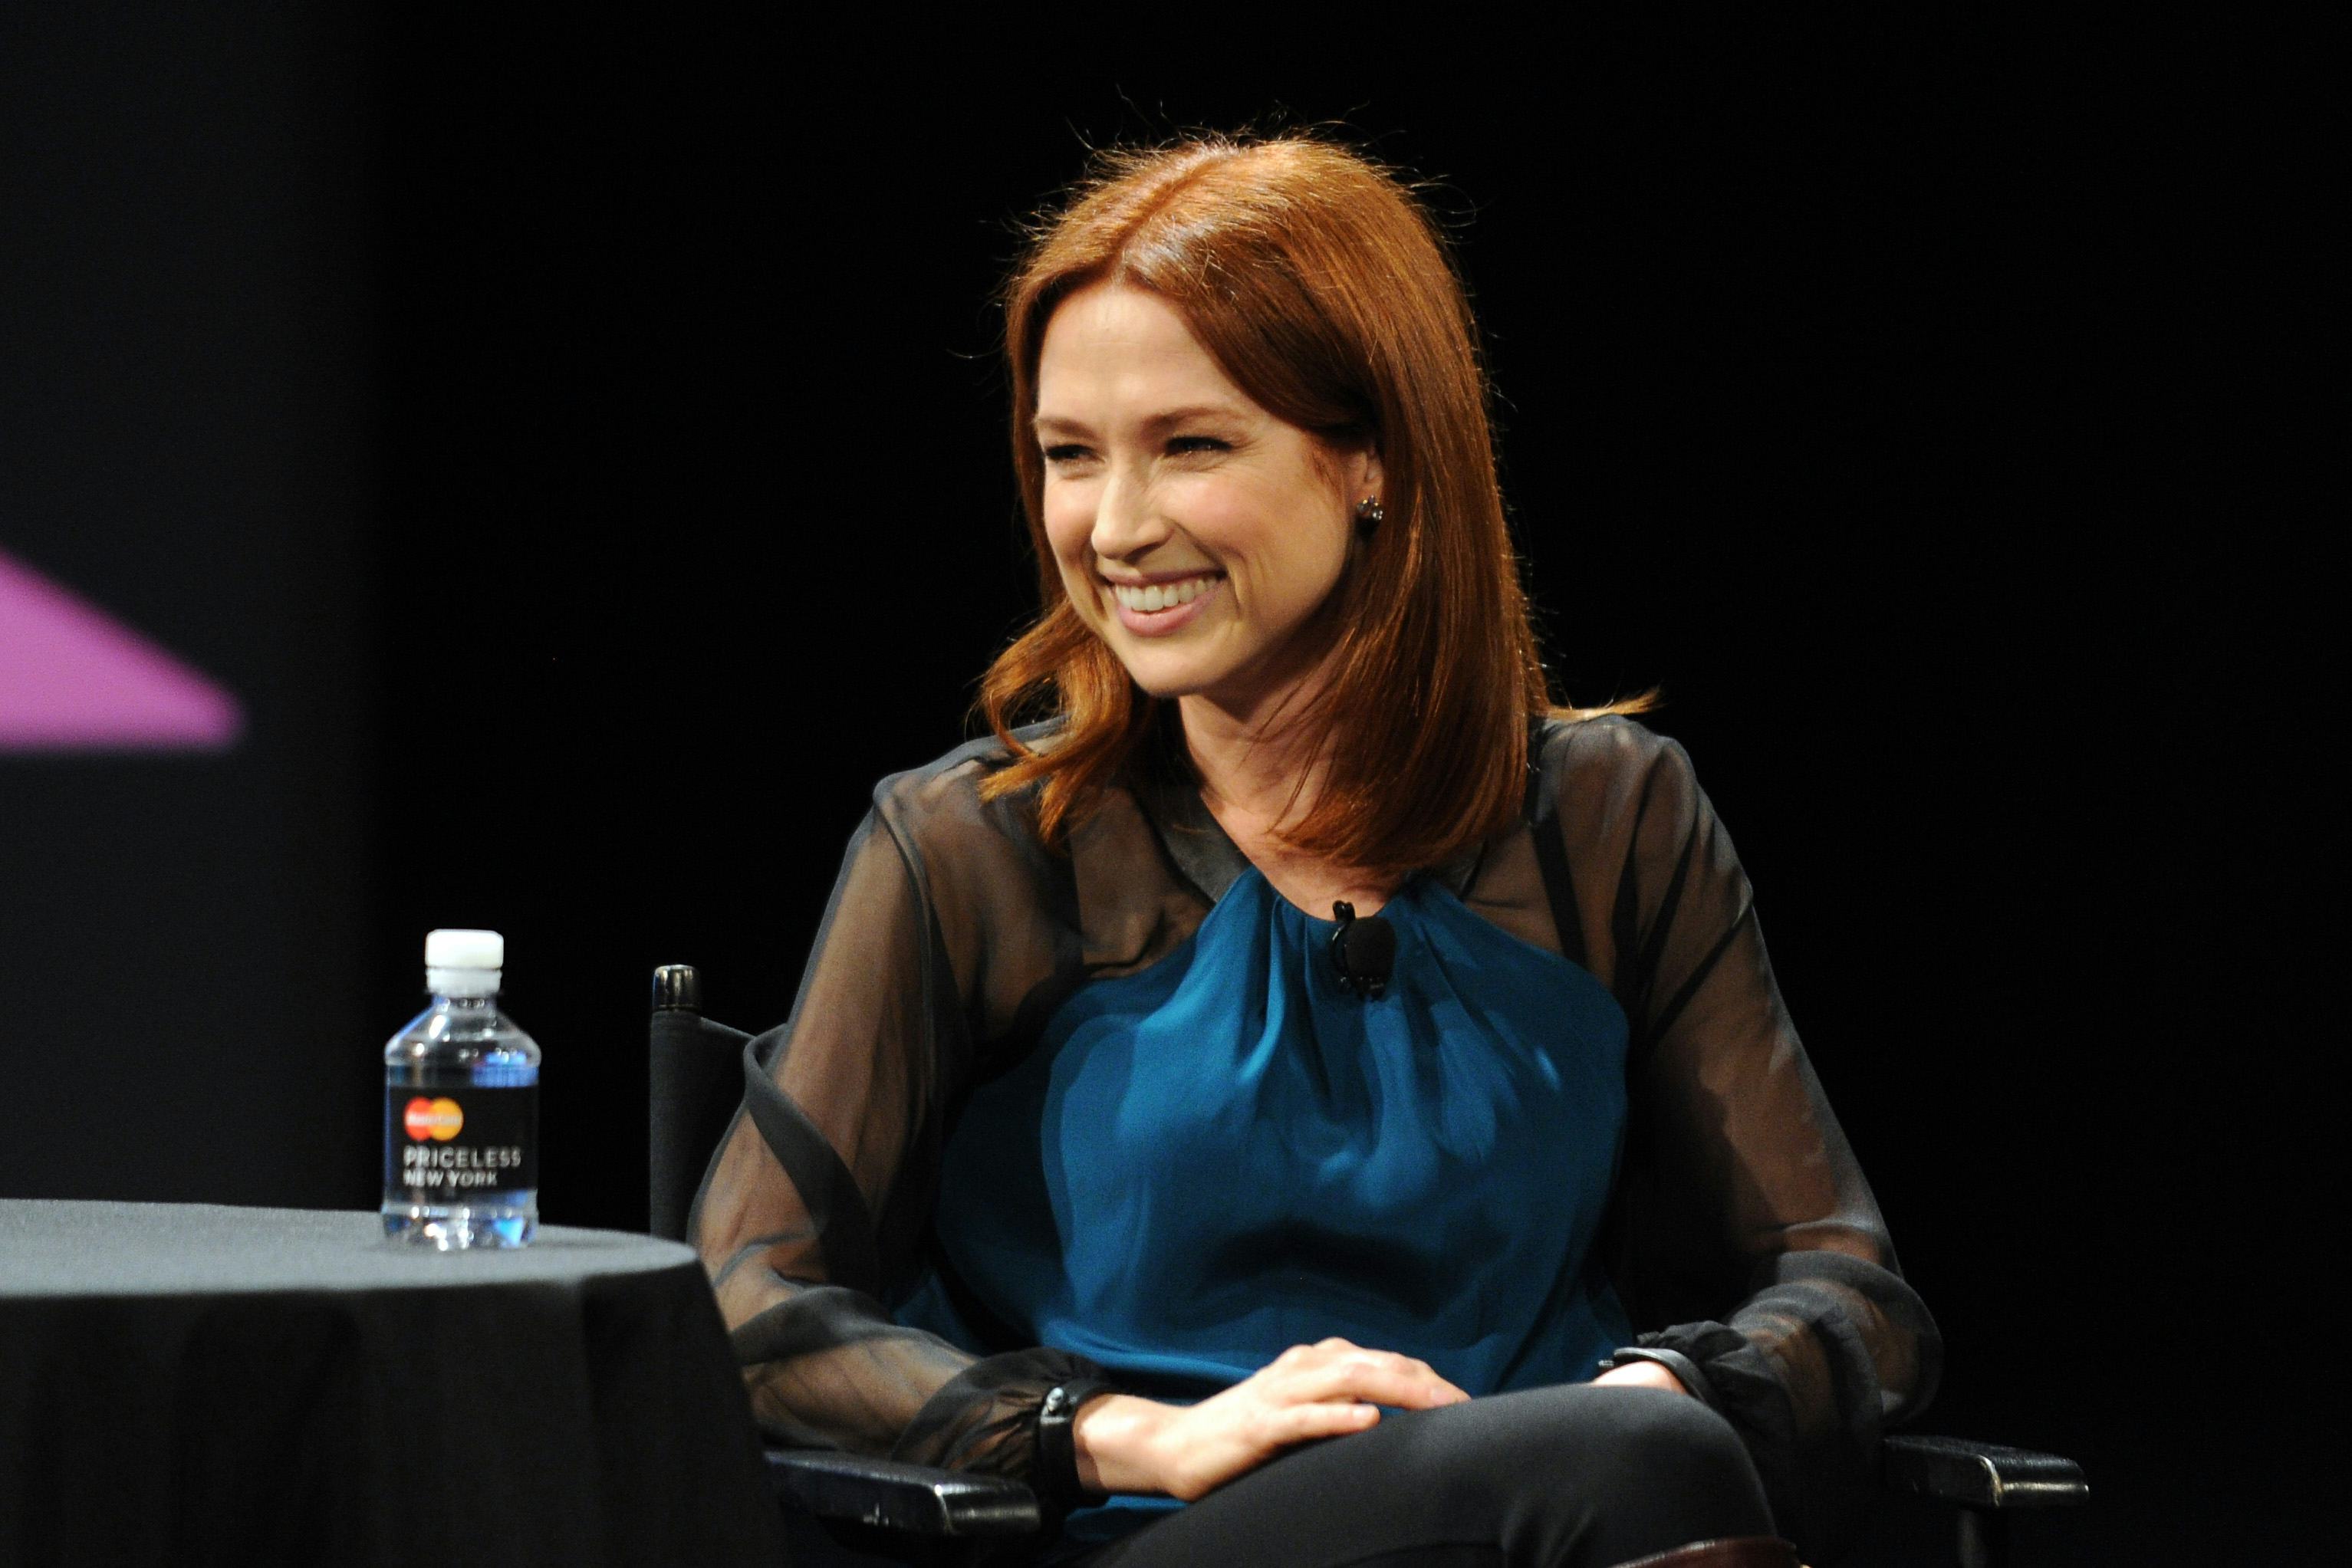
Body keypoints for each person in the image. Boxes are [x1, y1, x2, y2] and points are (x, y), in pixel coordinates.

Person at [691, 133, 1939, 1568]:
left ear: (1374, 461)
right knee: (1649, 1470)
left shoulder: (1611, 821)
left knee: (1651, 1455)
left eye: (1191, 445)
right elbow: (742, 1301)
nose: (1115, 528)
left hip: (1563, 1510)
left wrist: (1669, 1389)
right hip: (1154, 1536)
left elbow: (1854, 1293)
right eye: (1069, 456)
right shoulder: (974, 848)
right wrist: (1119, 1432)